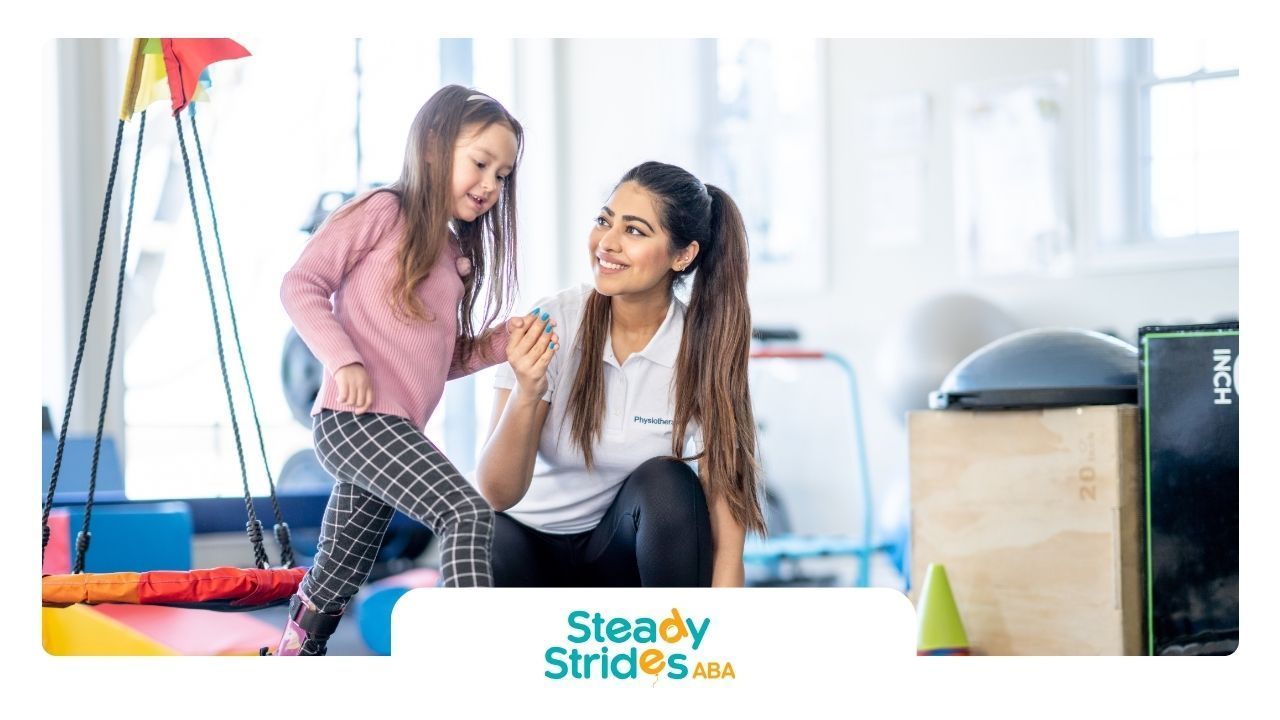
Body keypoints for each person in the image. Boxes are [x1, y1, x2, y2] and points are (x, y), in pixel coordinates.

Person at [275, 85, 537, 655]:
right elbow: (301, 284)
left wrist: (498, 344)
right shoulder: (381, 210)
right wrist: (342, 357)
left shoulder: (451, 257)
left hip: (394, 429)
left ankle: (295, 652)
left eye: (503, 175)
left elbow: (438, 361)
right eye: (480, 163)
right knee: (467, 513)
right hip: (356, 422)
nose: (491, 184)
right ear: (432, 147)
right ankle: (472, 658)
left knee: (340, 567)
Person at [475, 160, 766, 588]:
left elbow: (726, 519)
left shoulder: (702, 349)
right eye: (603, 221)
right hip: (525, 545)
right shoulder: (554, 322)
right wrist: (527, 390)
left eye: (634, 231)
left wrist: (719, 636)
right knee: (481, 533)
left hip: (617, 554)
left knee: (669, 485)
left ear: (683, 255)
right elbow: (496, 494)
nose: (606, 243)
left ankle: (671, 651)